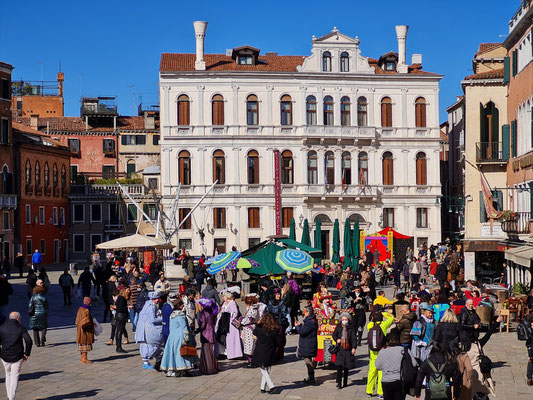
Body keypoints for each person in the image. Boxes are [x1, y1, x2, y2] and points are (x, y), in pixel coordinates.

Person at [160, 297, 198, 377]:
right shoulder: (181, 315)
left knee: (174, 353)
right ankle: (184, 369)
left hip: (173, 336)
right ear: (179, 305)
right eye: (182, 305)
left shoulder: (172, 315)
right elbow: (184, 327)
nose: (183, 306)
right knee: (183, 352)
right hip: (181, 336)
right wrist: (187, 336)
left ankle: (174, 368)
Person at [0, 312, 32, 400]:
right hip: (17, 356)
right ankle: (11, 397)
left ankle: (9, 395)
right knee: (15, 376)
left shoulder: (2, 328)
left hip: (5, 356)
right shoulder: (21, 328)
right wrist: (27, 353)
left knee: (8, 374)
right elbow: (28, 341)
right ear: (18, 319)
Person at [375, 328, 413, 400]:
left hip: (386, 381)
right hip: (400, 381)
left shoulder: (383, 351)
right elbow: (414, 363)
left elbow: (377, 366)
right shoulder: (405, 350)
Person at [366, 310, 395, 398]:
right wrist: (383, 312)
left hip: (372, 354)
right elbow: (391, 317)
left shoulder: (370, 326)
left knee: (372, 372)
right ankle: (380, 393)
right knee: (381, 373)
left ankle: (369, 391)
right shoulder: (383, 325)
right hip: (382, 353)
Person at [135, 291, 164, 369]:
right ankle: (146, 362)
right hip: (148, 328)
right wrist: (163, 319)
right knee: (151, 344)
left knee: (146, 344)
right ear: (153, 299)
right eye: (156, 299)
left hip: (144, 327)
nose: (158, 300)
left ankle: (149, 361)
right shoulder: (151, 306)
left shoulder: (147, 304)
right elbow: (153, 320)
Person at [252, 313, 280, 394]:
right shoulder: (274, 329)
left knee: (263, 370)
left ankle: (271, 386)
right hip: (271, 351)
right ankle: (262, 387)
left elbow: (254, 336)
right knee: (267, 369)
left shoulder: (258, 329)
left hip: (261, 351)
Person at [215, 290, 243, 360]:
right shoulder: (225, 303)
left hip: (230, 323)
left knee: (231, 339)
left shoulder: (232, 303)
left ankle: (234, 354)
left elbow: (235, 313)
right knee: (223, 338)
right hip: (223, 323)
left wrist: (228, 315)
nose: (223, 297)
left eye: (224, 296)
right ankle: (224, 353)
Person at [332, 312, 358, 389]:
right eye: (343, 319)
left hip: (348, 349)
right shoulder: (338, 327)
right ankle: (339, 383)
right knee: (339, 367)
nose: (344, 321)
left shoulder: (351, 328)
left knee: (346, 367)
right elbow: (334, 335)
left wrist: (354, 347)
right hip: (340, 349)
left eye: (346, 319)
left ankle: (345, 382)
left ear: (348, 320)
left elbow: (353, 339)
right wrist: (337, 339)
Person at [295, 305, 318, 384]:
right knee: (308, 359)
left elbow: (302, 332)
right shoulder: (311, 320)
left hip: (308, 344)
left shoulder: (309, 322)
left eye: (304, 312)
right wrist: (301, 326)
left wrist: (297, 327)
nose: (303, 313)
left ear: (308, 312)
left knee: (307, 360)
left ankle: (311, 377)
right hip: (309, 343)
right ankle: (310, 377)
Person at [196, 297, 220, 375]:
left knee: (206, 352)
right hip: (211, 333)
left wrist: (197, 330)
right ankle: (214, 366)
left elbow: (203, 325)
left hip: (205, 334)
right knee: (210, 351)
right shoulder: (211, 312)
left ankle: (208, 368)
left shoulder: (203, 313)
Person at [241, 294, 265, 367]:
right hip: (248, 328)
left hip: (250, 329)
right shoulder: (253, 308)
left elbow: (250, 319)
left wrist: (242, 321)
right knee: (249, 345)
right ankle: (250, 361)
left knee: (250, 345)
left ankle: (252, 362)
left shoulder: (253, 309)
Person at [267, 288, 289, 360]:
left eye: (279, 294)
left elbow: (284, 313)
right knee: (271, 339)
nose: (278, 296)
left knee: (280, 340)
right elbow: (267, 311)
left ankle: (280, 355)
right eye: (276, 294)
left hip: (280, 323)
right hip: (272, 323)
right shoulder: (270, 302)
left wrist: (279, 315)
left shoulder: (282, 303)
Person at [75, 297, 95, 363]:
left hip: (80, 330)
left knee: (82, 344)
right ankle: (84, 358)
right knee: (85, 344)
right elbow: (86, 321)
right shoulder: (86, 310)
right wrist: (91, 324)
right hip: (85, 330)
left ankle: (82, 357)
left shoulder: (80, 308)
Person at [114, 287, 129, 353]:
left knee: (118, 331)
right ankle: (119, 347)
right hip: (121, 316)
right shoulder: (122, 298)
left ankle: (118, 346)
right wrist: (126, 308)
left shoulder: (119, 298)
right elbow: (120, 308)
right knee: (119, 331)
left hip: (118, 315)